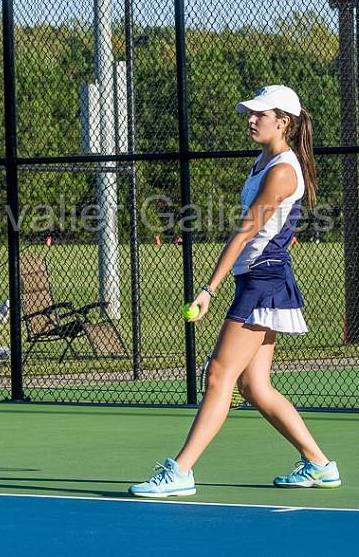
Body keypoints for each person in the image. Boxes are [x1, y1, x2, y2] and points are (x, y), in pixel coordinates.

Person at [128, 85, 339, 499]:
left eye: (260, 114)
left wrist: (208, 288)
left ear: (284, 121)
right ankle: (318, 463)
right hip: (259, 279)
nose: (251, 119)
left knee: (219, 374)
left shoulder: (281, 170)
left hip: (263, 282)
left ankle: (181, 471)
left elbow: (246, 231)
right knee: (254, 387)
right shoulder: (264, 162)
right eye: (250, 113)